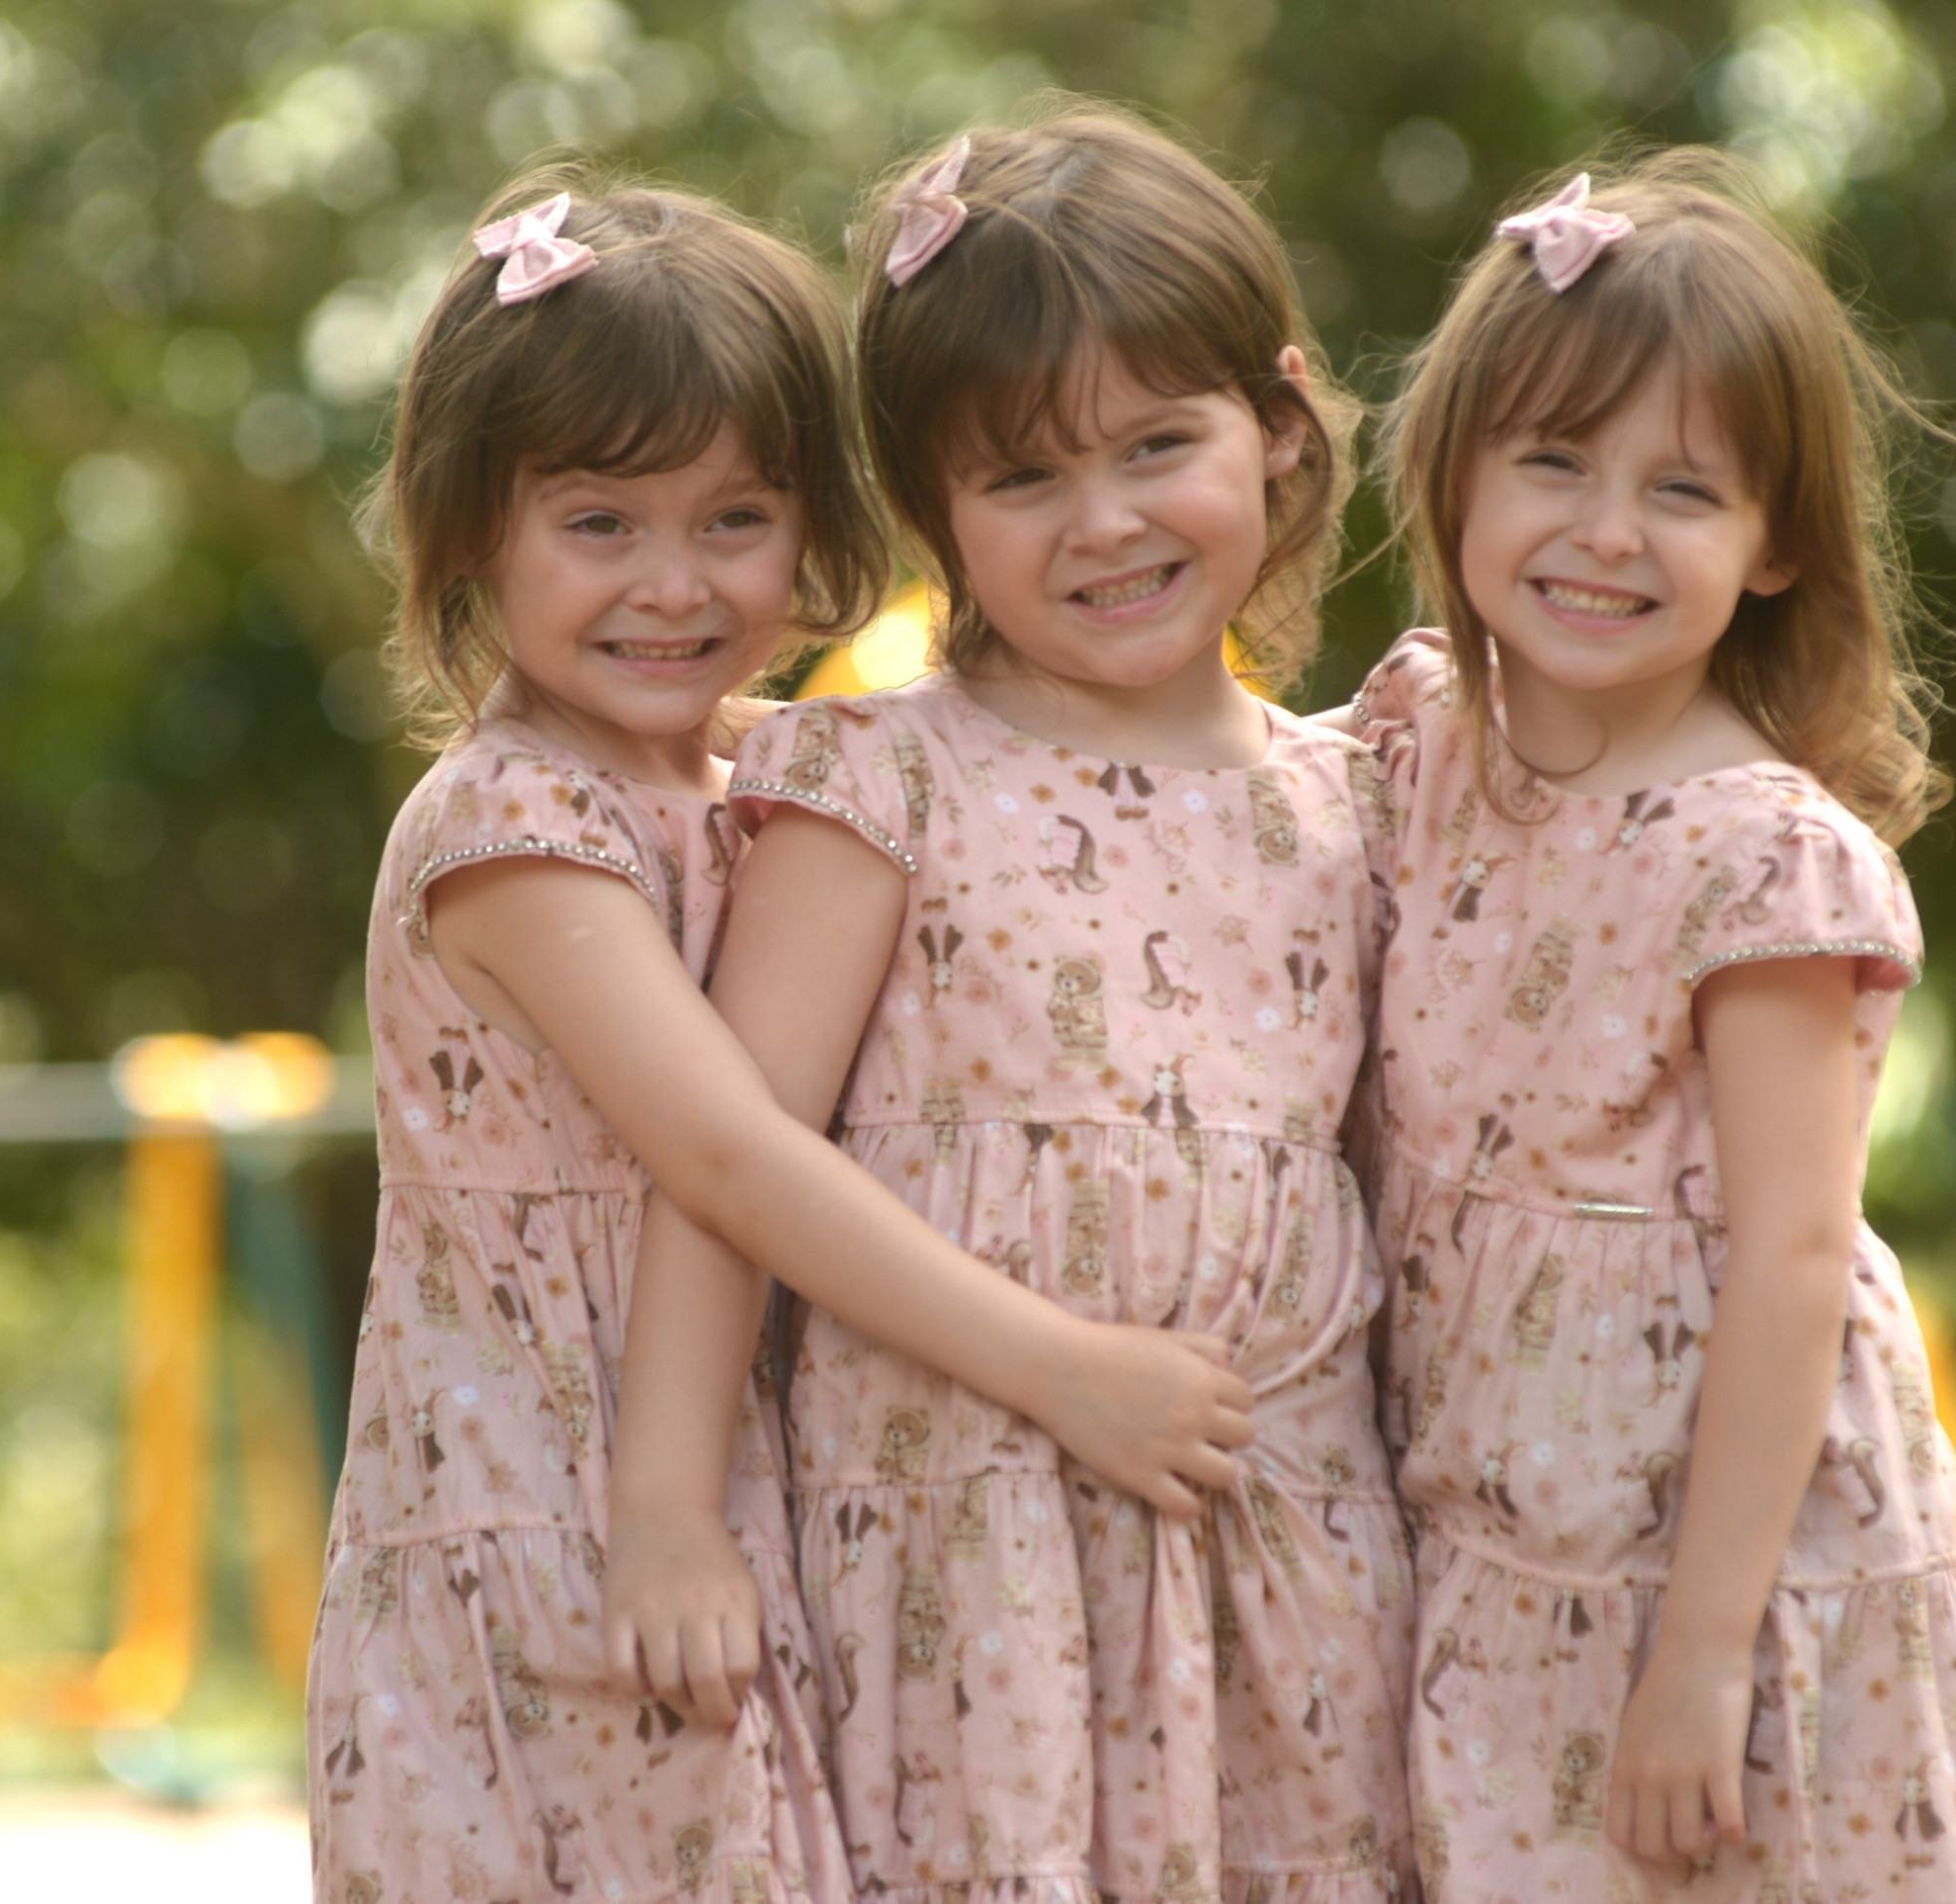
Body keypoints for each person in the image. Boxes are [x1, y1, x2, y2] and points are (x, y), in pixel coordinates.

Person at [307, 162, 1254, 1904]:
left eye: (732, 520)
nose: (674, 585)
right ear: (470, 533)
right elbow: (735, 1153)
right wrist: (1057, 1365)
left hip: (730, 1495)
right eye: (600, 524)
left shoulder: (760, 774)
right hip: (573, 1520)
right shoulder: (514, 829)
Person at [694, 103, 1415, 1901]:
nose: (1103, 522)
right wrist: (1057, 1371)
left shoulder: (1364, 799)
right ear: (933, 508)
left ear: (1275, 423)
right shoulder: (874, 788)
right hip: (969, 1570)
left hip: (1286, 1560)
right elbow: (725, 1168)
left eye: (1157, 444)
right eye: (1022, 478)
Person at [1350, 151, 1956, 1900]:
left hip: (1712, 1566)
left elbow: (1795, 1260)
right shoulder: (1417, 744)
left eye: (1682, 488)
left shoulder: (1761, 855)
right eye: (1553, 461)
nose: (1603, 531)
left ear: (1776, 538)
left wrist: (1704, 1651)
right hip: (1489, 1542)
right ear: (1456, 472)